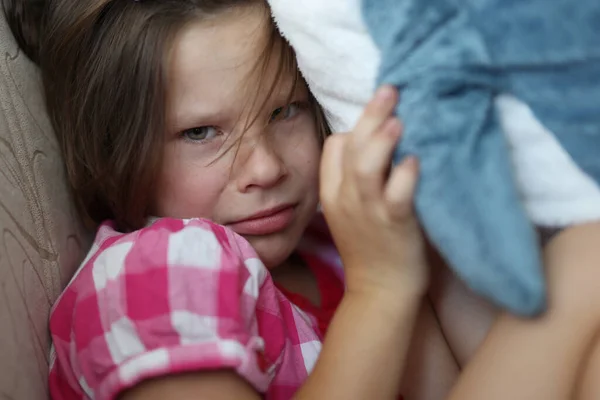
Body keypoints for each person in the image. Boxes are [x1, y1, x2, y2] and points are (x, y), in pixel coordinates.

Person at [4, 0, 600, 399]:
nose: (265, 167)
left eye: (284, 111)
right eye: (200, 132)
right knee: (582, 260)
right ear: (111, 146)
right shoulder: (154, 266)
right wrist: (382, 288)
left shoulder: (328, 251)